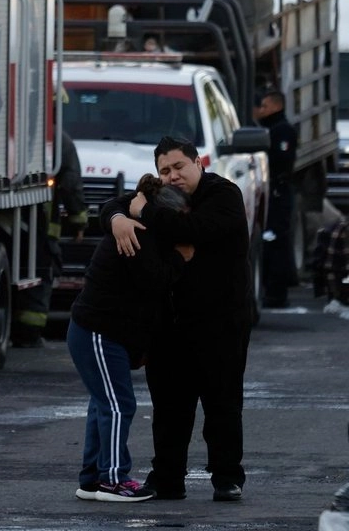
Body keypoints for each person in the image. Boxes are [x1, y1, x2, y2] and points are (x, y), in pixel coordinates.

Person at [106, 136, 252, 503]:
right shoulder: (157, 198)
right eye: (164, 170)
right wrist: (119, 217)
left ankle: (227, 478)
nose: (172, 176)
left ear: (198, 162)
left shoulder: (225, 195)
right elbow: (111, 206)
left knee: (222, 404)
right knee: (170, 408)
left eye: (178, 167)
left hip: (221, 322)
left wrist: (143, 211)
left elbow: (193, 230)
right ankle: (168, 479)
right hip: (170, 323)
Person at [69, 174, 191, 502]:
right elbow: (155, 280)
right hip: (98, 332)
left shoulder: (136, 227)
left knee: (104, 403)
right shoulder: (138, 237)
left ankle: (93, 478)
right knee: (119, 405)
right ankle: (113, 479)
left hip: (98, 332)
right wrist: (182, 257)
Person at [14, 131, 88, 348]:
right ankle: (28, 334)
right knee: (39, 272)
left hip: (10, 219)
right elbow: (71, 183)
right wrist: (78, 221)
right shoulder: (58, 140)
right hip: (40, 224)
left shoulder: (9, 134)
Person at [254, 89, 299, 307]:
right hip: (272, 192)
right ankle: (271, 289)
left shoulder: (282, 131)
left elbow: (280, 162)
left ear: (275, 106)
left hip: (278, 193)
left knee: (276, 240)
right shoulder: (269, 129)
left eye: (264, 106)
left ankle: (277, 293)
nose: (260, 110)